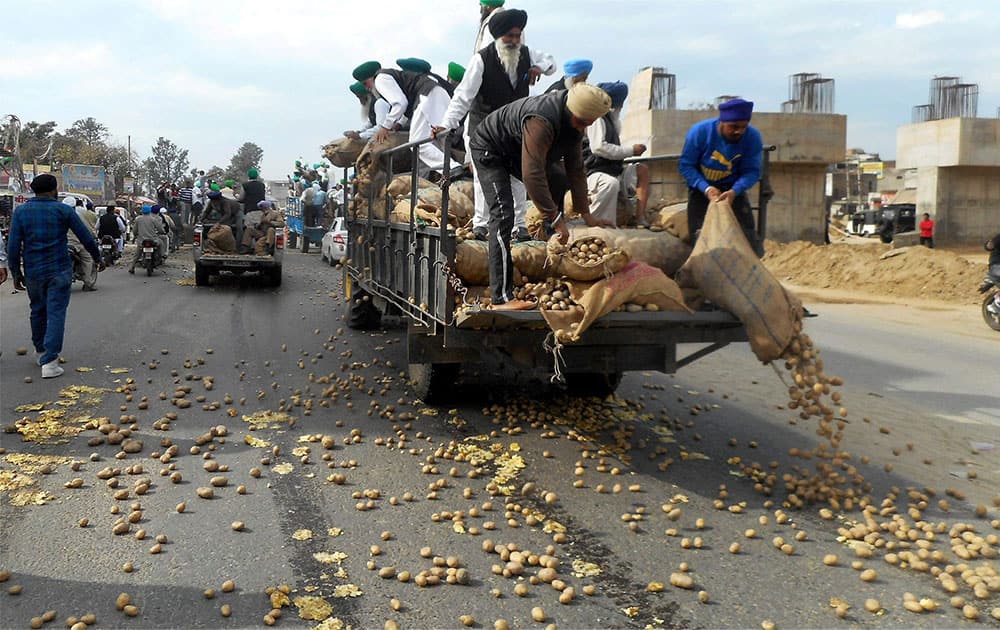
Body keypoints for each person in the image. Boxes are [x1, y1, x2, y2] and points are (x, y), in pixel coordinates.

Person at [469, 83, 616, 310]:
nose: (586, 126)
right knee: (502, 213)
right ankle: (501, 297)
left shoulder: (574, 122)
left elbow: (576, 168)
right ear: (572, 112)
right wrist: (557, 219)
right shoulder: (541, 121)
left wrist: (587, 214)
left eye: (590, 122)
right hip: (491, 147)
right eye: (584, 122)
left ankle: (549, 237)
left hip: (516, 147)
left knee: (559, 179)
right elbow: (532, 174)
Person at [435, 8, 555, 243]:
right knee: (484, 177)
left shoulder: (527, 55)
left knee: (518, 176)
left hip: (514, 129)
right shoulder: (481, 59)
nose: (513, 41)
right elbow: (463, 97)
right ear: (498, 36)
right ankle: (481, 225)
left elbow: (551, 63)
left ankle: (519, 226)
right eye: (508, 36)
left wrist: (539, 68)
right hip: (484, 129)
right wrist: (446, 125)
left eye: (517, 36)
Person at [6, 173, 104, 378]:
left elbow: (13, 246)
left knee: (37, 310)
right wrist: (97, 258)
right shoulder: (63, 210)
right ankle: (50, 362)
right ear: (53, 190)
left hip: (33, 271)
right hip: (59, 269)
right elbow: (85, 237)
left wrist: (16, 272)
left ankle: (40, 350)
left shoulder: (21, 212)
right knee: (56, 312)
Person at [678, 97, 764, 257]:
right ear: (721, 122)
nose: (738, 131)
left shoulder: (752, 138)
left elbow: (752, 171)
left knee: (748, 240)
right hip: (702, 189)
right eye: (734, 127)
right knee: (700, 238)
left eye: (743, 127)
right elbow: (686, 165)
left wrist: (734, 191)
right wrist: (706, 188)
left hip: (732, 191)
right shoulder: (700, 133)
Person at [353, 60, 452, 177]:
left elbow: (400, 103)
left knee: (417, 143)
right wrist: (399, 124)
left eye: (366, 83)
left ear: (372, 77)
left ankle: (451, 168)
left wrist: (385, 127)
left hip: (427, 97)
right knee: (437, 138)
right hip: (435, 95)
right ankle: (449, 171)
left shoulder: (380, 79)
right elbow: (407, 104)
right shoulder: (388, 77)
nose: (367, 88)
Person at [584, 81, 652, 227]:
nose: (621, 107)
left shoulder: (612, 121)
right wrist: (631, 150)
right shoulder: (597, 118)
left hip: (615, 170)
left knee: (642, 170)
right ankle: (602, 226)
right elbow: (599, 148)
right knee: (610, 183)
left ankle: (640, 218)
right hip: (594, 173)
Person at [64, 196, 99, 292]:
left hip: (62, 244)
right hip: (76, 244)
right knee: (88, 260)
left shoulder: (58, 215)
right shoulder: (76, 215)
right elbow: (86, 230)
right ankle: (88, 283)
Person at [129, 205, 167, 274]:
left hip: (141, 241)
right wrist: (163, 232)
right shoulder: (153, 219)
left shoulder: (138, 219)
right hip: (153, 240)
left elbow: (134, 231)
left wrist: (135, 235)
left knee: (137, 254)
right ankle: (162, 255)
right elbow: (160, 229)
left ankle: (132, 267)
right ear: (150, 211)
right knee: (161, 242)